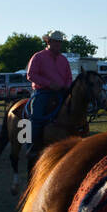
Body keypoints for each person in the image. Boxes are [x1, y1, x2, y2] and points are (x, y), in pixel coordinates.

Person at [24, 31, 72, 165]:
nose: (58, 44)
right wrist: (50, 84)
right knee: (36, 118)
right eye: (55, 41)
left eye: (60, 42)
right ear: (48, 42)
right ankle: (32, 148)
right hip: (43, 92)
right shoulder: (38, 57)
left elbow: (69, 77)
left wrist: (66, 86)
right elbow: (31, 75)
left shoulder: (63, 59)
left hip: (61, 92)